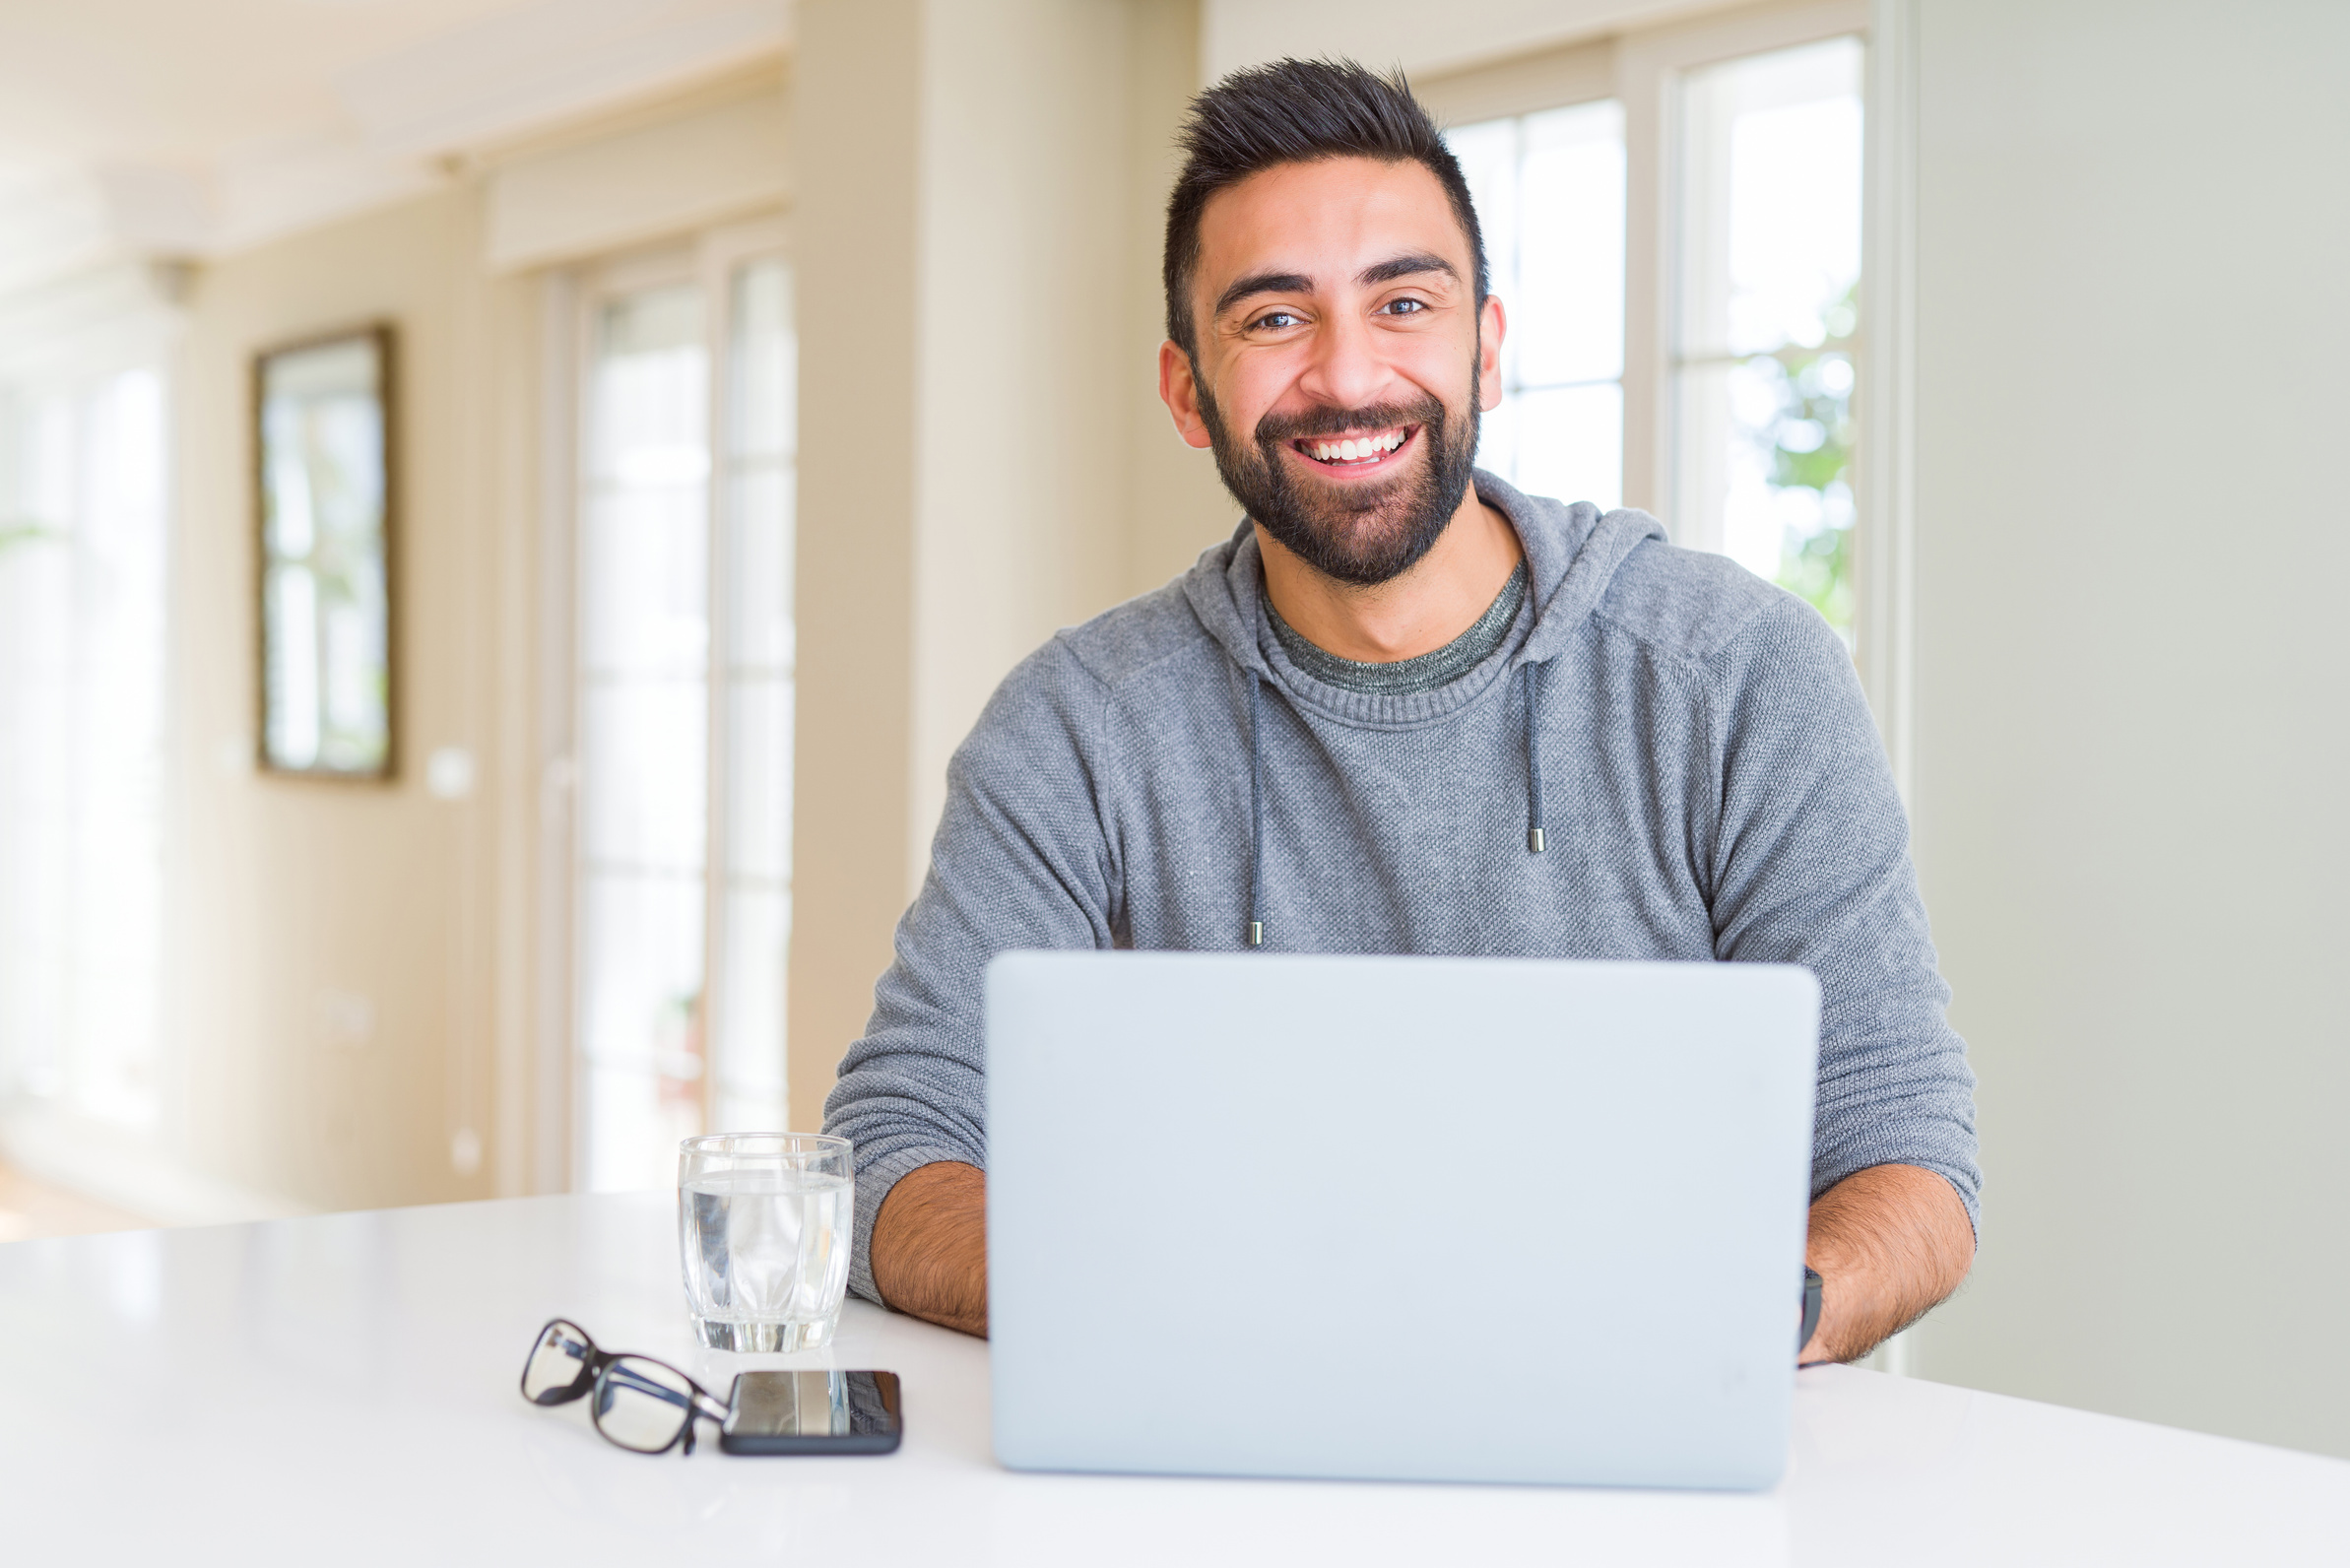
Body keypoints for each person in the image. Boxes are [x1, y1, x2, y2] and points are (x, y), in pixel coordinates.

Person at [824, 58, 1978, 1364]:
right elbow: (897, 1131)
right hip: (1217, 1424)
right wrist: (1145, 1293)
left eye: (1403, 303)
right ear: (1184, 389)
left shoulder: (1738, 676)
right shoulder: (1078, 728)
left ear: (1484, 342)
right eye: (1272, 320)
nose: (1347, 374)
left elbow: (1902, 1141)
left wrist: (1751, 1316)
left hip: (1638, 1427)